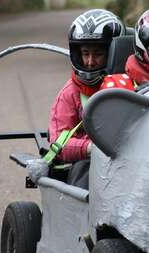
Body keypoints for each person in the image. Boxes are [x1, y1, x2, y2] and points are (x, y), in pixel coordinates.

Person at [48, 9, 132, 164]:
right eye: (85, 53)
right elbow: (57, 143)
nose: (90, 61)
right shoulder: (70, 93)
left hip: (130, 162)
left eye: (98, 54)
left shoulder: (132, 84)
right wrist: (90, 148)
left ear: (114, 52)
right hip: (87, 166)